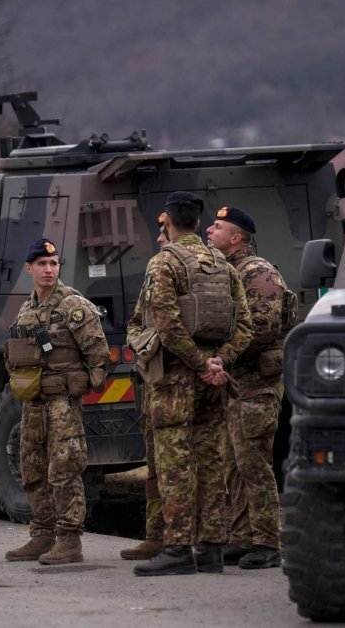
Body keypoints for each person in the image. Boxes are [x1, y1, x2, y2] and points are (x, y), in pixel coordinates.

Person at [133, 192, 253, 577]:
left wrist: (200, 364)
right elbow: (245, 325)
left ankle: (178, 548)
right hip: (213, 380)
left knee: (175, 464)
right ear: (199, 224)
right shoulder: (223, 265)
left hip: (175, 380)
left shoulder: (164, 262)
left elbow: (166, 324)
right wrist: (221, 361)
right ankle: (212, 549)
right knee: (212, 462)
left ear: (166, 220)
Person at [4, 238, 109, 565]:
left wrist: (79, 385)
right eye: (41, 265)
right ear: (29, 269)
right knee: (31, 466)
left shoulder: (72, 305)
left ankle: (69, 540)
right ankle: (42, 534)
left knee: (64, 467)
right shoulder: (26, 309)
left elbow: (99, 355)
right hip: (33, 402)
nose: (48, 270)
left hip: (62, 402)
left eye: (53, 264)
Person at [206, 206, 287, 569]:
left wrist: (222, 352)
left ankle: (269, 542)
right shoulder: (227, 271)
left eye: (218, 226)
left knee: (254, 464)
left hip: (256, 384)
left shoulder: (257, 272)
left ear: (236, 237)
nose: (210, 230)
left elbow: (263, 326)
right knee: (233, 464)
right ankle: (242, 537)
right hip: (235, 386)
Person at [121, 214, 168, 561]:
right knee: (155, 463)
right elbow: (137, 320)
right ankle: (157, 535)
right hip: (152, 379)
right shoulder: (156, 269)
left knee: (186, 464)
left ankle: (192, 539)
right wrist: (142, 344)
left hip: (180, 382)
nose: (160, 239)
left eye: (164, 232)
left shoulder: (199, 269)